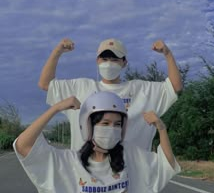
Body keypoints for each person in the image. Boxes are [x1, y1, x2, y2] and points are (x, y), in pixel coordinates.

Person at [14, 91, 180, 193]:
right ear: (89, 126)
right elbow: (23, 146)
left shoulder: (131, 158)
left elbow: (166, 164)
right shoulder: (66, 163)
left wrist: (161, 129)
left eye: (117, 124)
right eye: (105, 123)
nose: (112, 129)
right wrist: (56, 108)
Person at [38, 38, 183, 151]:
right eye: (104, 59)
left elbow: (175, 87)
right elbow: (45, 84)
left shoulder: (141, 90)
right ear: (97, 61)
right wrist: (57, 51)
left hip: (128, 177)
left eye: (115, 59)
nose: (109, 63)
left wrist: (167, 54)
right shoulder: (81, 87)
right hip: (86, 179)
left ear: (124, 63)